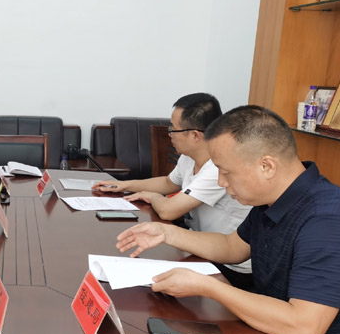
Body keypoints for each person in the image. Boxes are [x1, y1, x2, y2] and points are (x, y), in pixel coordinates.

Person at [116, 105, 340, 334]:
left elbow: (303, 330)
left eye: (226, 172)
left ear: (267, 166)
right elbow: (232, 247)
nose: (221, 182)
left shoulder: (328, 221)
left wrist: (209, 287)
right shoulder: (273, 199)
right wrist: (167, 233)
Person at [94, 93, 252, 288]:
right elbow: (169, 182)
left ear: (195, 135)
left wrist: (153, 197)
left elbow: (168, 211)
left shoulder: (217, 168)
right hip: (199, 247)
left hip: (230, 265)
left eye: (173, 129)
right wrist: (126, 185)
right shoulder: (189, 157)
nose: (170, 134)